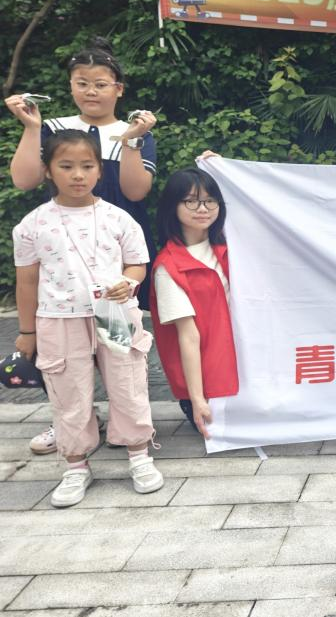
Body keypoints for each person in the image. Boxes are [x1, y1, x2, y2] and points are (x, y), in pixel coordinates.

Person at [5, 36, 158, 456]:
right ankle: (72, 423)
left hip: (115, 258)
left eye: (101, 84)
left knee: (120, 348)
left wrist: (132, 140)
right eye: (82, 83)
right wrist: (31, 128)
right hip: (63, 259)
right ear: (70, 85)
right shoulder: (53, 128)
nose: (92, 91)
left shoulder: (136, 131)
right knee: (64, 349)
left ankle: (130, 430)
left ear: (118, 89)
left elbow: (136, 191)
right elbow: (24, 180)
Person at [13, 130, 163, 507]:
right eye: (66, 166)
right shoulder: (32, 224)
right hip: (58, 317)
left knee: (127, 381)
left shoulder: (119, 218)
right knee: (68, 391)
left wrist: (129, 283)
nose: (78, 175)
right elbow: (27, 280)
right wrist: (27, 331)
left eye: (87, 166)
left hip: (113, 313)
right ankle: (76, 466)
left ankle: (139, 455)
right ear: (48, 170)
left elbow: (137, 264)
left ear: (100, 170)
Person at [151, 167, 238, 439]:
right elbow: (188, 337)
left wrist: (222, 168)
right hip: (208, 385)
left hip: (245, 372)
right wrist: (198, 399)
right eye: (191, 201)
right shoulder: (168, 267)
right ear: (172, 206)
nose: (203, 209)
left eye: (210, 200)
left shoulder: (231, 247)